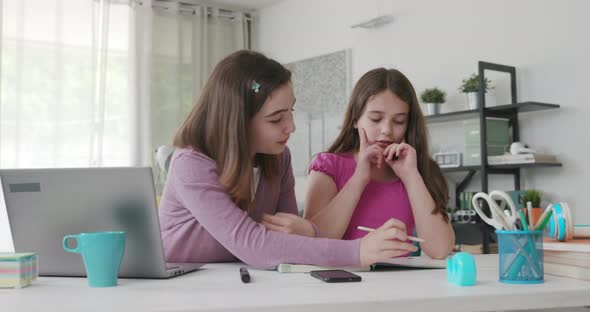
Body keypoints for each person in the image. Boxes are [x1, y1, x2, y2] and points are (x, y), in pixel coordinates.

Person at [158, 50, 417, 269]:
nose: (291, 127)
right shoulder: (190, 164)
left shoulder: (278, 158)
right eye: (276, 118)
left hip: (238, 277)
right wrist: (358, 251)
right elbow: (253, 245)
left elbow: (288, 239)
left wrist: (307, 232)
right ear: (236, 121)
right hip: (181, 285)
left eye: (290, 111)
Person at [303, 68, 455, 259]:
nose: (386, 130)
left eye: (399, 121)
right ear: (355, 119)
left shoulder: (420, 169)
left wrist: (411, 177)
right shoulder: (328, 166)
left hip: (402, 286)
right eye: (375, 119)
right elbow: (311, 244)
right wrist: (359, 179)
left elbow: (440, 250)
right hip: (343, 285)